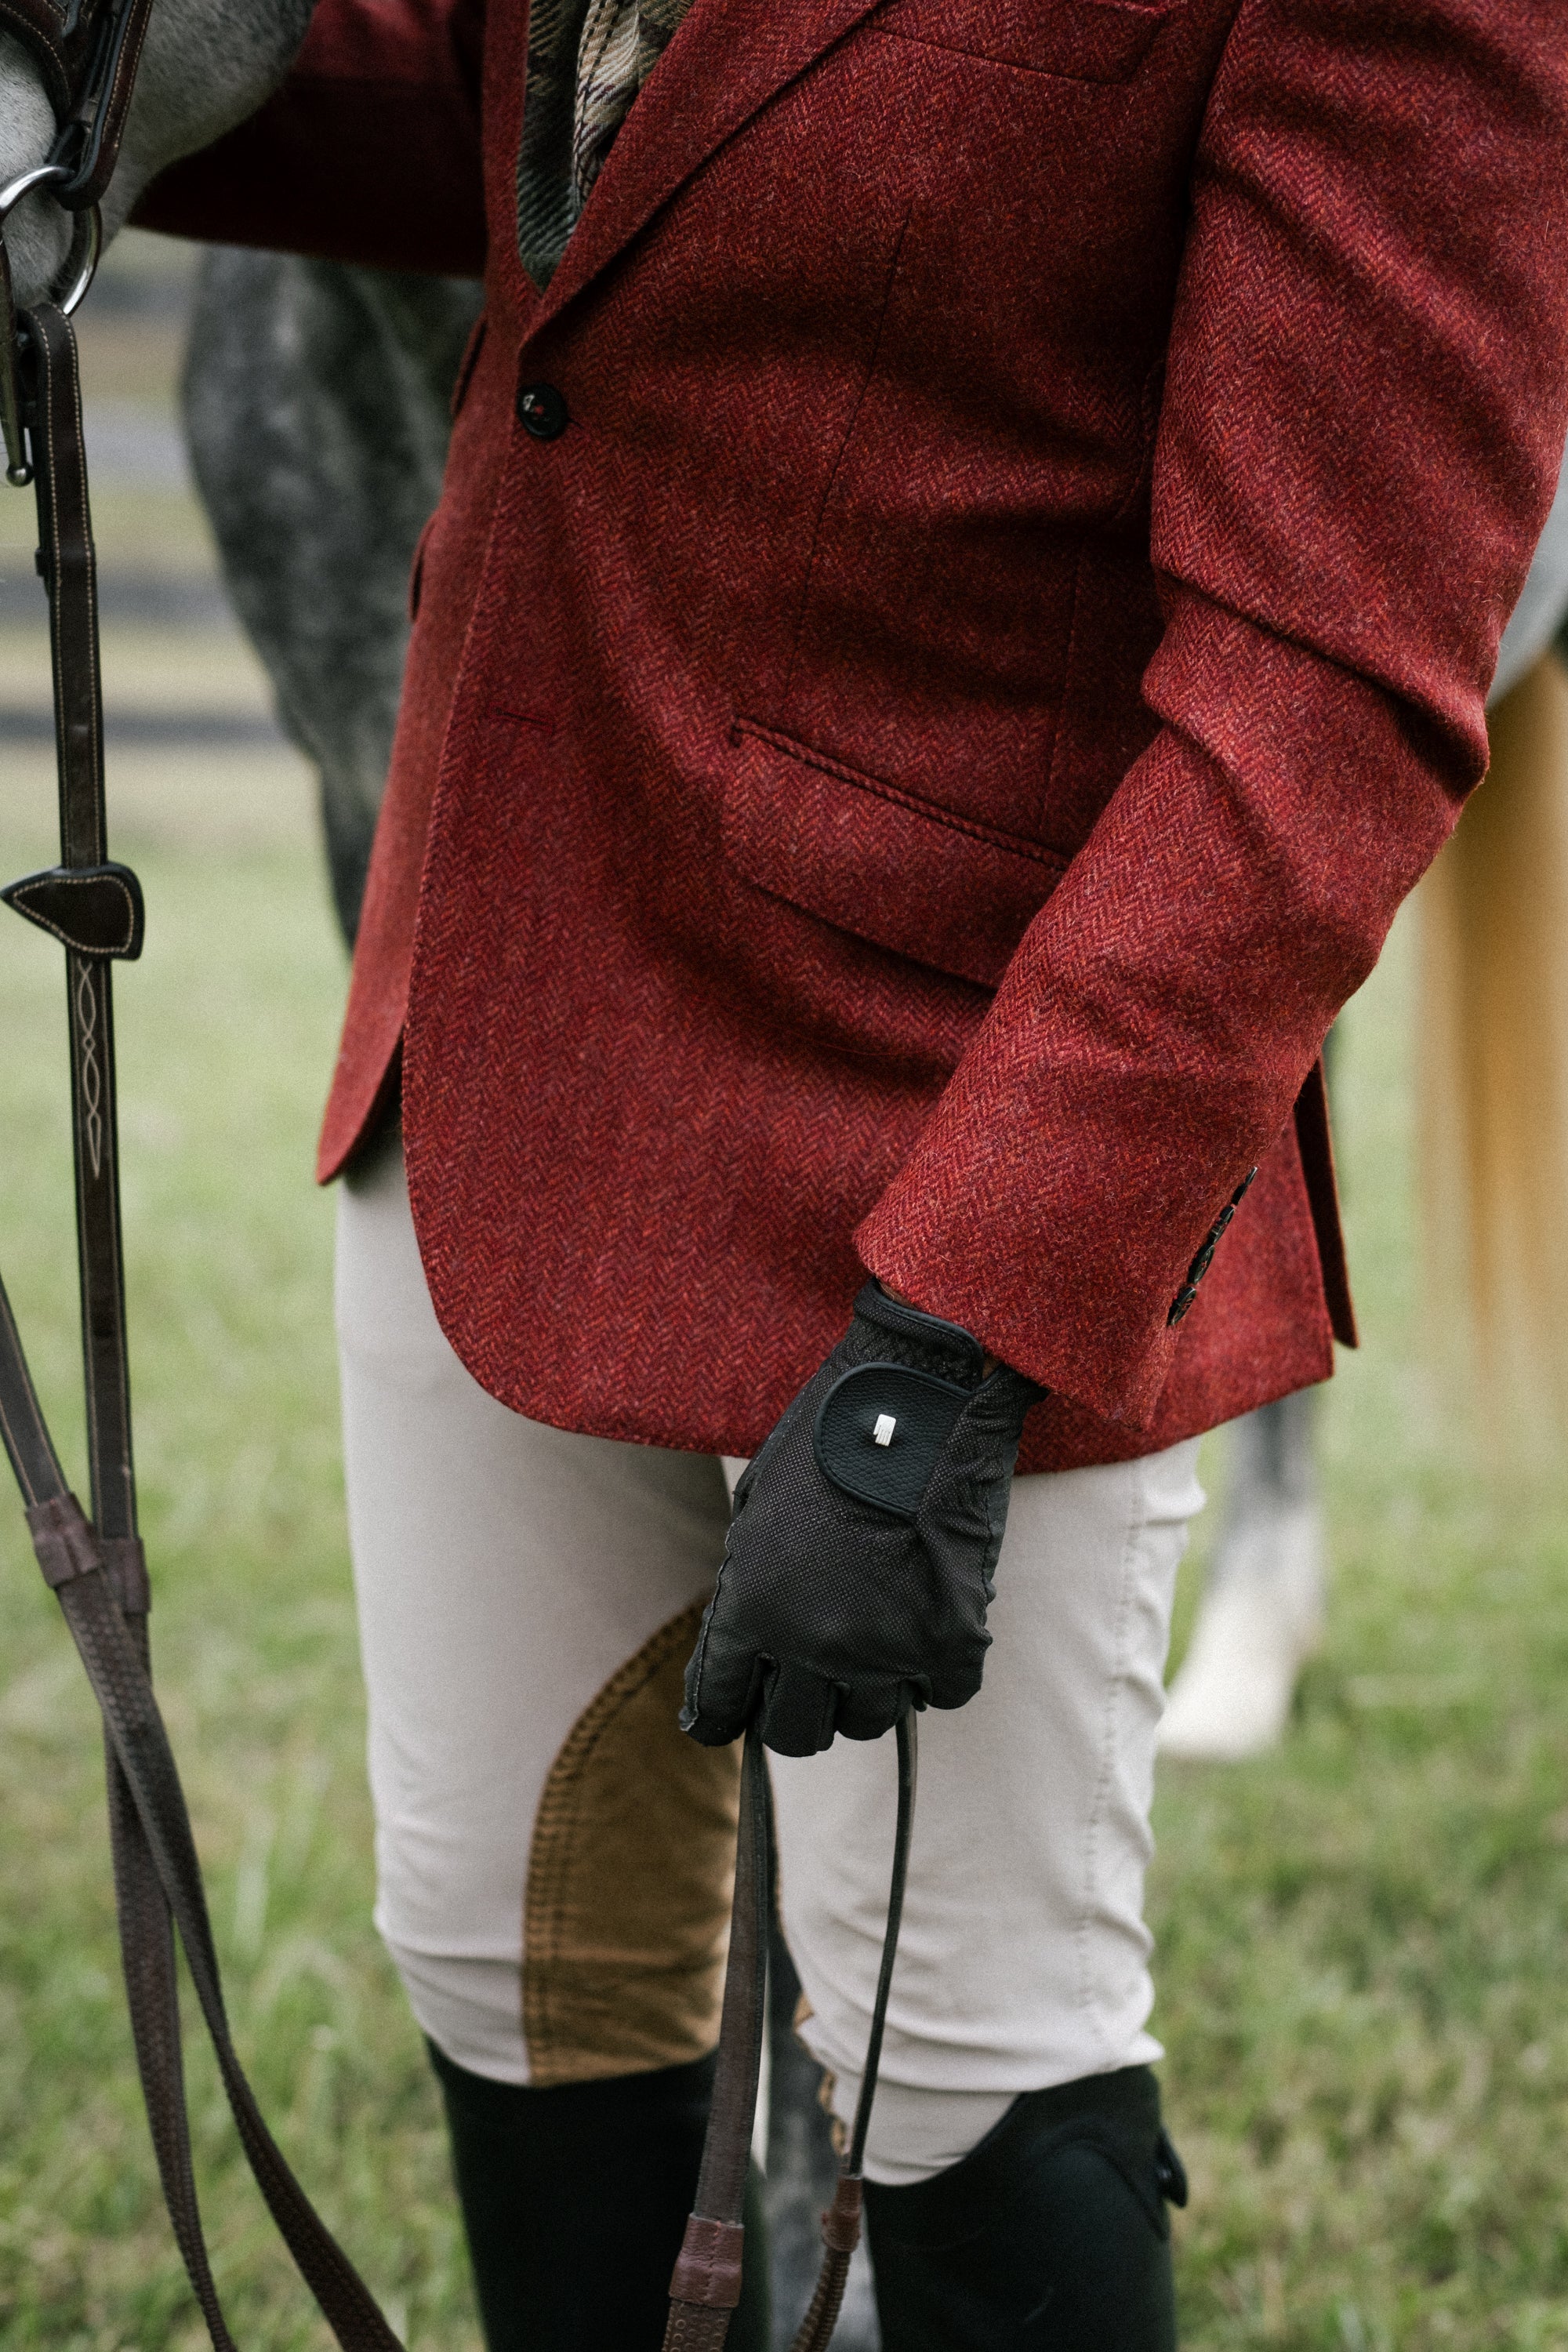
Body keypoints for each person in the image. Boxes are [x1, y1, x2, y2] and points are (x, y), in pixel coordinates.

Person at [5, 0, 1566, 2341]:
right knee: (503, 1956)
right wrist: (72, 78)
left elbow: (1324, 688)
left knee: (965, 2053)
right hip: (507, 1026)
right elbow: (507, 111)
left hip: (955, 1110)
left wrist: (962, 1329)